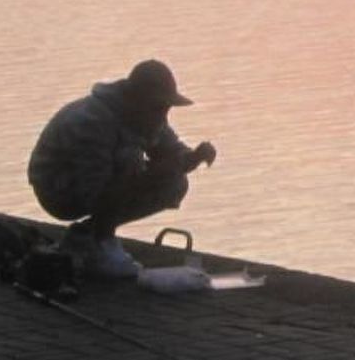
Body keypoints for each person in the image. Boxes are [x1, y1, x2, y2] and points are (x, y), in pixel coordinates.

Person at [27, 59, 216, 279]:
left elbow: (172, 153)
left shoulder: (148, 115)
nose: (163, 115)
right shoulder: (92, 121)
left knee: (175, 183)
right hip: (57, 189)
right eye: (159, 107)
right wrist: (151, 175)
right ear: (137, 99)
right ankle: (101, 242)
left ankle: (85, 235)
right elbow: (95, 190)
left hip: (94, 181)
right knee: (129, 160)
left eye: (166, 108)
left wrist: (194, 157)